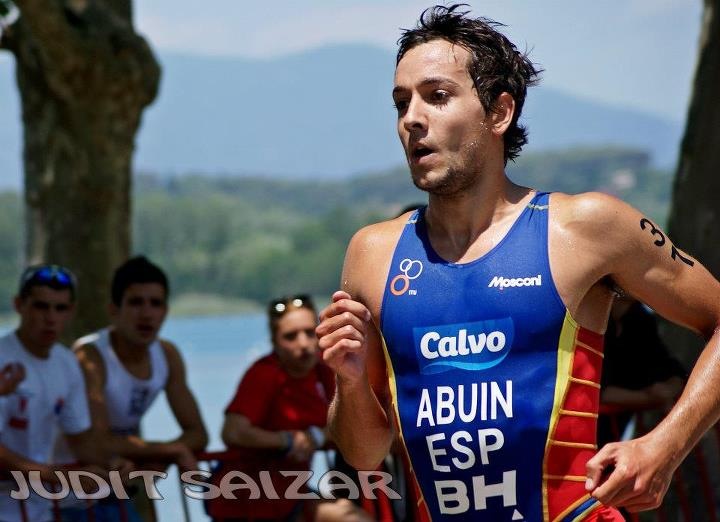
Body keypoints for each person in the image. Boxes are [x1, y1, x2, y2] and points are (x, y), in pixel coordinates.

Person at [315, 5, 720, 522]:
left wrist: (665, 446)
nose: (411, 118)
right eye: (401, 102)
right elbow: (364, 453)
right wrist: (350, 382)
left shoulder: (584, 227)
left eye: (437, 96)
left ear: (499, 113)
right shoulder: (373, 253)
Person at [70, 256, 208, 521]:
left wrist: (158, 453)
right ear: (113, 310)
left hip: (117, 490)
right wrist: (171, 451)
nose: (146, 314)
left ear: (165, 311)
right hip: (66, 492)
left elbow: (198, 433)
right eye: (135, 302)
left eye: (155, 303)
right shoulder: (90, 356)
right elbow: (98, 441)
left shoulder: (167, 355)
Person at [209, 295, 370, 522]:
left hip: (291, 491)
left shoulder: (324, 370)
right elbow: (233, 431)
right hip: (246, 495)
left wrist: (315, 436)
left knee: (351, 515)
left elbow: (351, 423)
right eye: (290, 336)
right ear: (274, 342)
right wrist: (287, 441)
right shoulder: (264, 374)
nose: (303, 343)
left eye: (309, 332)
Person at [0, 265, 118, 522]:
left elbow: (82, 441)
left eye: (60, 308)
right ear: (19, 305)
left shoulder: (67, 363)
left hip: (40, 512)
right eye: (41, 306)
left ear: (71, 311)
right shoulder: (2, 358)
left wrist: (112, 465)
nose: (51, 318)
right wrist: (51, 475)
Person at [598, 296, 686, 448]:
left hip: (617, 434)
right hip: (582, 427)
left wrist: (669, 388)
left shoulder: (641, 319)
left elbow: (670, 368)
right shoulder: (587, 315)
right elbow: (596, 391)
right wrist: (649, 399)